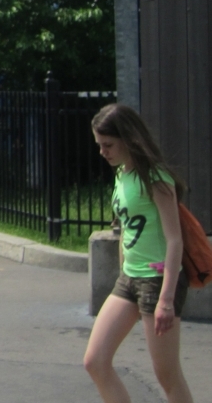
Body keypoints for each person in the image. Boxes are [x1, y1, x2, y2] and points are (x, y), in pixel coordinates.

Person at [83, 104, 193, 403]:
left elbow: (174, 240)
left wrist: (167, 300)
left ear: (128, 139)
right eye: (99, 145)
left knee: (167, 376)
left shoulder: (155, 178)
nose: (103, 152)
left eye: (108, 145)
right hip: (129, 279)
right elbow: (124, 232)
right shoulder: (122, 175)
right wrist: (122, 272)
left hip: (157, 283)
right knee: (95, 361)